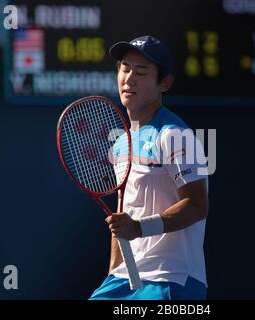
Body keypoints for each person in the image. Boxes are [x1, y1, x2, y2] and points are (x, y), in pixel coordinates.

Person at [89, 35, 209, 300]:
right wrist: (113, 271)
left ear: (164, 83)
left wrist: (138, 228)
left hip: (171, 279)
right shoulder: (120, 144)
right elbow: (124, 214)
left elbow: (197, 204)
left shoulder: (175, 135)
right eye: (124, 68)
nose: (129, 78)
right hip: (122, 280)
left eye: (141, 71)